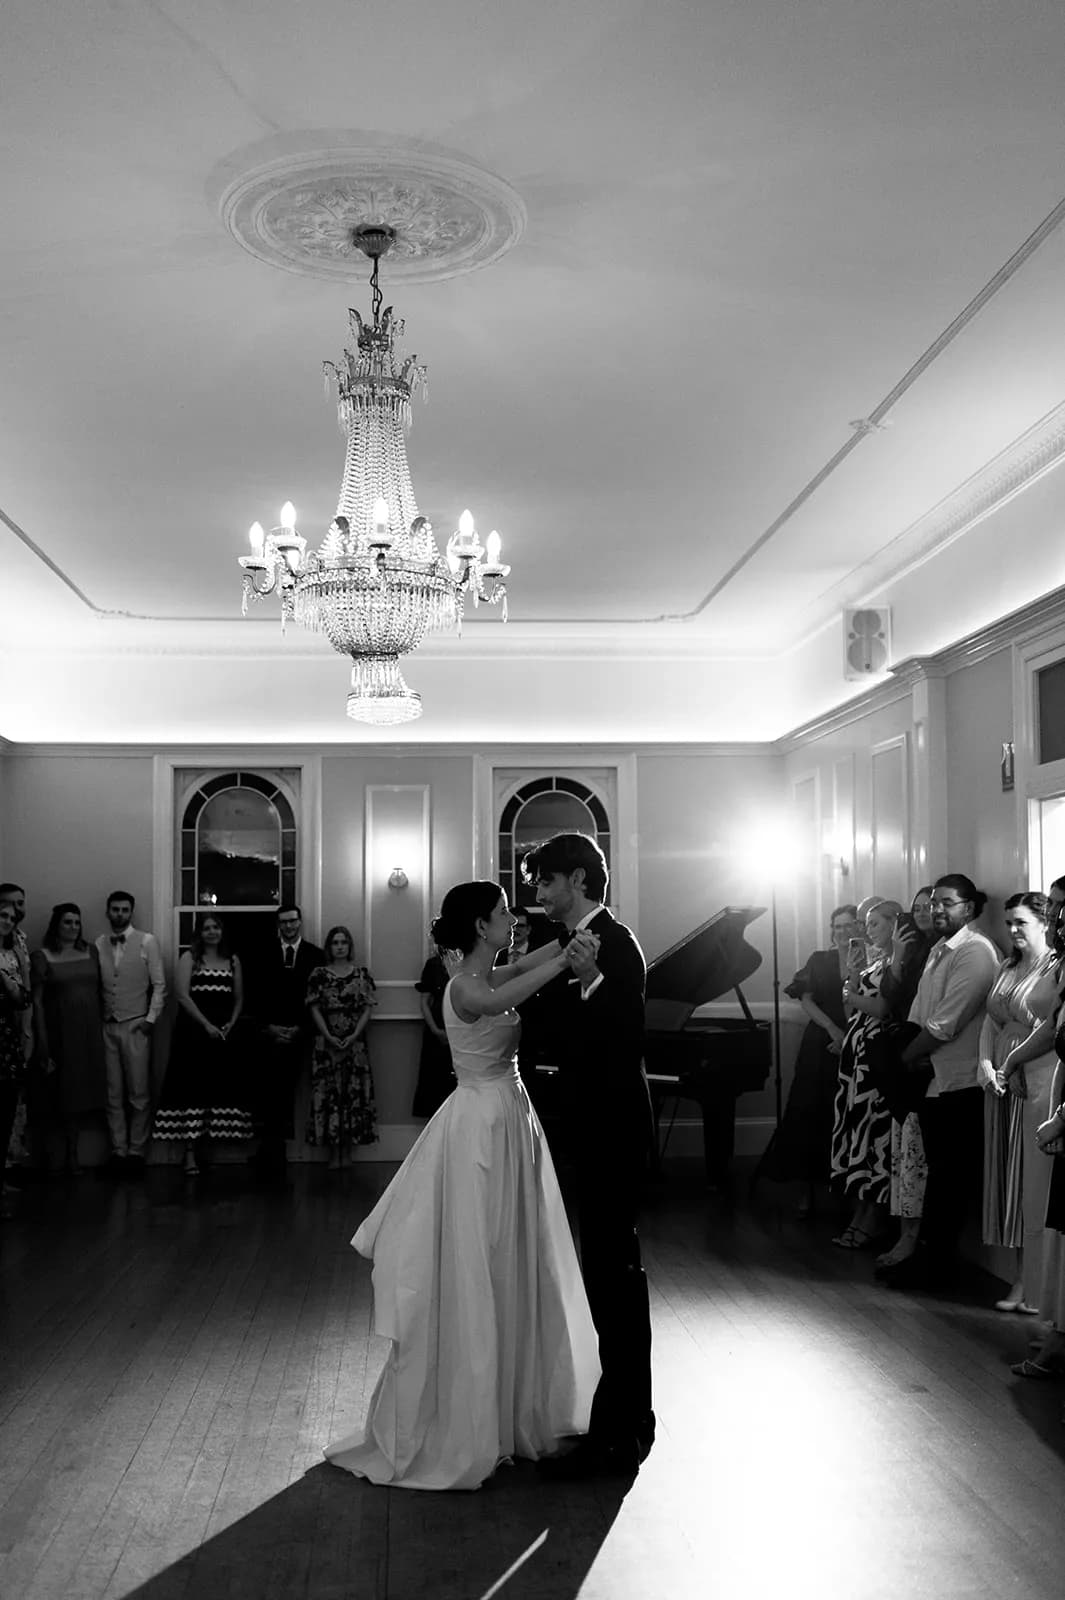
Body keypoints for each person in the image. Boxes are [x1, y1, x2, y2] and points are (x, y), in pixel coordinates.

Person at [324, 881, 599, 1490]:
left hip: (508, 1116)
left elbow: (523, 966)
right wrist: (569, 955)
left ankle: (508, 1406)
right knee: (482, 1254)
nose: (513, 919)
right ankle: (470, 1420)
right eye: (503, 912)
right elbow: (527, 983)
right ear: (480, 925)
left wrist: (572, 937)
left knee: (511, 1252)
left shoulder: (487, 972)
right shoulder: (467, 987)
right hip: (480, 1126)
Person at [523, 832, 655, 1481]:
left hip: (613, 1132)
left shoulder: (617, 943)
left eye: (545, 881)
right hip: (579, 1130)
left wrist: (590, 976)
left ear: (576, 879)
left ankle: (629, 1428)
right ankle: (611, 1419)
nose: (538, 893)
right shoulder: (557, 943)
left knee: (616, 1280)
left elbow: (626, 1036)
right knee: (600, 1277)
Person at [880, 874, 999, 1290]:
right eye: (933, 903)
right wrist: (907, 1049)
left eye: (947, 903)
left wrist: (905, 1056)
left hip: (959, 1081)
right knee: (938, 1175)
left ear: (968, 908)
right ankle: (930, 1262)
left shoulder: (975, 952)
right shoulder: (938, 951)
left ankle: (940, 1269)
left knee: (952, 1180)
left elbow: (945, 1023)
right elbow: (917, 1013)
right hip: (933, 1081)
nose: (936, 910)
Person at [977, 893, 1058, 1314]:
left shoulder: (1051, 969)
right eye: (1009, 922)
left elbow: (1049, 1027)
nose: (1012, 930)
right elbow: (990, 1021)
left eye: (1021, 922)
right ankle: (1018, 1278)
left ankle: (1032, 1284)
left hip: (1034, 1073)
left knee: (1030, 1179)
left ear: (1044, 923)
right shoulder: (1008, 966)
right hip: (1002, 1078)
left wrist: (1016, 1066)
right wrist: (987, 1066)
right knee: (1008, 1177)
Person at [761, 904, 860, 1214]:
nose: (842, 932)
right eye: (837, 926)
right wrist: (833, 1031)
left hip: (857, 1039)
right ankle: (805, 1188)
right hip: (821, 1040)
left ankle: (846, 1190)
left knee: (848, 1114)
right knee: (811, 1110)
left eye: (848, 925)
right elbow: (806, 999)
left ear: (858, 927)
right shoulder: (820, 960)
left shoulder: (869, 958)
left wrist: (848, 1037)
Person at [830, 900, 904, 1248]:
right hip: (856, 1052)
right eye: (865, 923)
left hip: (876, 1052)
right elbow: (851, 1007)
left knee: (874, 1134)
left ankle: (873, 1219)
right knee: (856, 1129)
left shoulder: (896, 962)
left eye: (874, 923)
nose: (866, 929)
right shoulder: (873, 958)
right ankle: (859, 1213)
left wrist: (851, 994)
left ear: (893, 925)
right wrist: (852, 977)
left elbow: (882, 1008)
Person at [154, 914, 251, 1175]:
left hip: (223, 1033)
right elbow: (181, 995)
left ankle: (213, 1150)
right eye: (206, 928)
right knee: (192, 1089)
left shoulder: (233, 960)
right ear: (199, 933)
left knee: (217, 1088)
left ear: (222, 931)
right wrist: (205, 1024)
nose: (211, 932)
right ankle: (189, 1155)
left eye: (216, 927)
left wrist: (230, 1022)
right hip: (193, 1033)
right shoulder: (189, 958)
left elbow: (239, 997)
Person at [245, 905, 324, 1174]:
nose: (288, 927)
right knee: (267, 1093)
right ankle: (270, 1153)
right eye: (283, 923)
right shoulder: (262, 953)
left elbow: (319, 999)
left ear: (300, 922)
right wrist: (269, 1028)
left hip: (301, 1034)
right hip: (268, 1035)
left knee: (290, 1092)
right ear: (278, 925)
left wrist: (299, 1029)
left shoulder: (316, 955)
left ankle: (280, 1153)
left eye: (292, 921)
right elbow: (254, 994)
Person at [30, 904, 106, 1174]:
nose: (73, 927)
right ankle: (58, 1158)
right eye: (67, 922)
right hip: (61, 1032)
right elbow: (37, 1003)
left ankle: (94, 1154)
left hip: (90, 1033)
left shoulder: (91, 952)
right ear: (56, 925)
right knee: (62, 1093)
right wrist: (42, 1041)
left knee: (90, 1092)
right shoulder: (43, 956)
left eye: (77, 922)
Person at [94, 890, 166, 1175]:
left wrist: (150, 1019)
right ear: (108, 911)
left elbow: (159, 985)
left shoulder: (147, 941)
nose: (120, 914)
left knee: (139, 1092)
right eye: (115, 909)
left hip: (136, 1024)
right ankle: (118, 1151)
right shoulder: (98, 944)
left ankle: (136, 1152)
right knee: (112, 1093)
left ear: (131, 912)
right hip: (107, 1025)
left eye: (125, 910)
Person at [306, 926, 377, 1167]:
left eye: (343, 942)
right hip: (325, 1044)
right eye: (335, 942)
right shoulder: (318, 974)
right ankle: (332, 1153)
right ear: (329, 946)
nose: (339, 946)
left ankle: (347, 1153)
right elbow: (314, 1008)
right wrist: (327, 1035)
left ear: (349, 946)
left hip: (354, 1044)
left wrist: (355, 1034)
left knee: (352, 1095)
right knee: (329, 1095)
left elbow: (368, 1006)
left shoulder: (361, 975)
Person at [0, 901, 31, 1218]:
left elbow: (25, 998)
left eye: (12, 917)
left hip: (6, 1039)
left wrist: (12, 984)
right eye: (3, 915)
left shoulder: (12, 954)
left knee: (6, 1112)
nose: (8, 921)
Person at [411, 947, 454, 1118]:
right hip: (436, 1031)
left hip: (462, 1033)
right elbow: (425, 1001)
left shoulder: (470, 963)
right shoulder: (433, 964)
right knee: (434, 1084)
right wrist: (435, 1030)